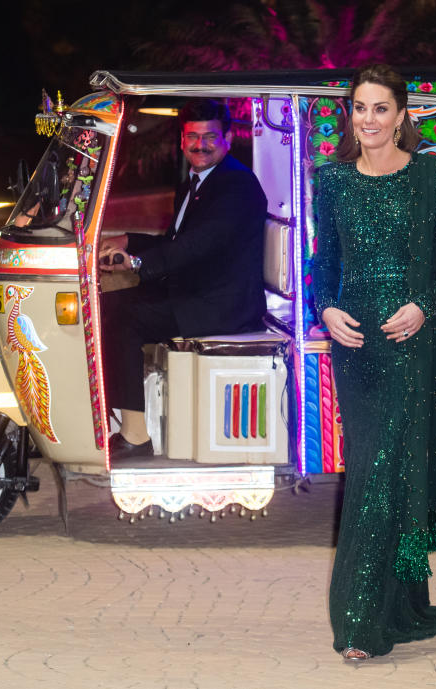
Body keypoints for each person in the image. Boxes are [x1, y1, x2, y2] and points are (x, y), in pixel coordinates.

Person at [312, 63, 436, 661]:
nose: (369, 119)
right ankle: (398, 604)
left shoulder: (431, 175)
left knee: (382, 477)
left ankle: (358, 623)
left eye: (381, 108)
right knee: (378, 474)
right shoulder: (332, 182)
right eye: (360, 107)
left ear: (402, 115)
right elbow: (323, 266)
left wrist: (423, 308)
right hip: (357, 350)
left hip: (409, 346)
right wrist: (326, 310)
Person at [99, 99, 267, 459]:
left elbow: (197, 247)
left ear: (228, 138)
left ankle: (135, 434)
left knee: (125, 319)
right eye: (192, 136)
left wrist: (138, 261)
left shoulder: (235, 186)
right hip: (196, 291)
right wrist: (127, 241)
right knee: (104, 307)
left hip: (221, 305)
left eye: (210, 137)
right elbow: (178, 242)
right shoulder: (196, 182)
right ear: (181, 140)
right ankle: (116, 417)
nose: (200, 145)